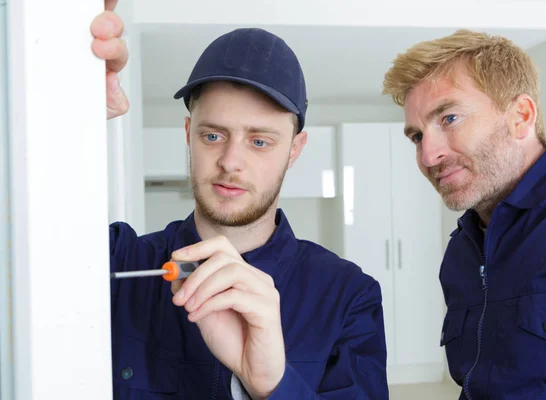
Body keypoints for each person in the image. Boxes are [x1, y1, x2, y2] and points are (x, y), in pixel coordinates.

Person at [91, 1, 388, 399]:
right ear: (188, 133)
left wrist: (271, 385)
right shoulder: (118, 262)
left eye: (260, 141)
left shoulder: (348, 295)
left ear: (295, 149)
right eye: (212, 136)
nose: (231, 162)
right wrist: (59, 120)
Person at [382, 29, 546, 398]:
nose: (428, 156)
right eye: (417, 136)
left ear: (521, 116)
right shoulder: (461, 252)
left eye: (449, 118)